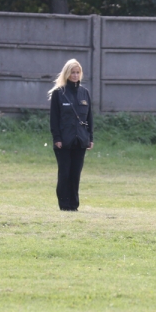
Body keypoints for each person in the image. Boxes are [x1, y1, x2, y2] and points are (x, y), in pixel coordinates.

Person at [48, 59, 94, 211]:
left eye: (77, 72)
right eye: (72, 72)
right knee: (65, 173)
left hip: (80, 140)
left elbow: (89, 118)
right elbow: (54, 119)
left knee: (75, 174)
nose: (75, 75)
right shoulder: (58, 94)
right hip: (64, 141)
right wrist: (57, 138)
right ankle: (64, 205)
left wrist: (90, 138)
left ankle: (73, 206)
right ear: (67, 74)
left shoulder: (84, 93)